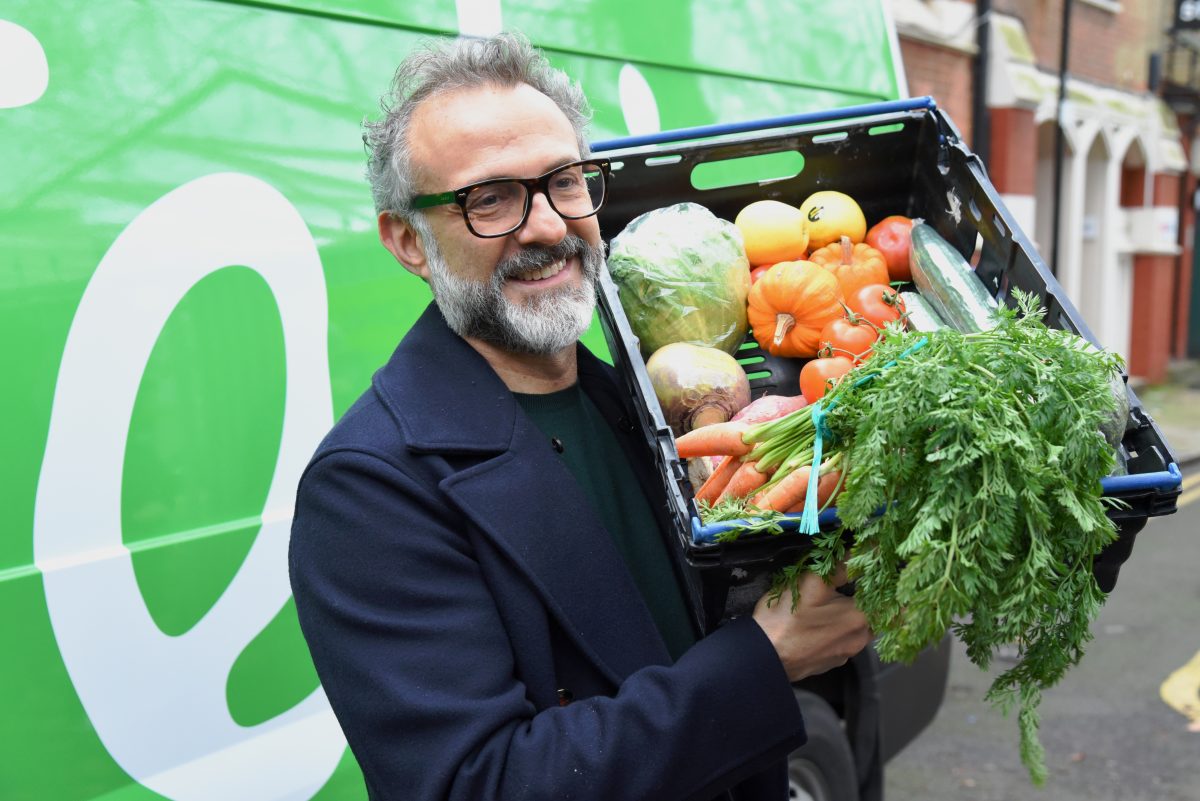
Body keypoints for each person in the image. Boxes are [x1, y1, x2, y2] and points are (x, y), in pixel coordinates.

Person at [288, 32, 872, 801]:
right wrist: (762, 661)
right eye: (489, 199)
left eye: (564, 182)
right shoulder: (368, 489)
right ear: (408, 240)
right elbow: (477, 784)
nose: (545, 226)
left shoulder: (636, 406)